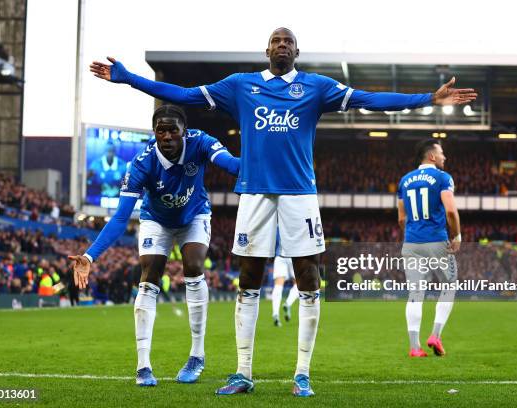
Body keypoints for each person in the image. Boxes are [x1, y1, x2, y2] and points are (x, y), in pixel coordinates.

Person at [90, 27, 476, 397]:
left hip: (299, 195)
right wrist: (129, 79)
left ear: (296, 51)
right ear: (267, 50)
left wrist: (428, 98)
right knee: (250, 277)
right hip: (255, 194)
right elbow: (183, 95)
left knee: (307, 274)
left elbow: (368, 99)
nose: (281, 45)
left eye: (288, 41)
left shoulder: (315, 86)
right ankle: (243, 372)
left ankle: (303, 374)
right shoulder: (240, 86)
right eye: (275, 40)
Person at [69, 104, 240, 386]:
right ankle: (143, 365)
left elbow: (232, 165)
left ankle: (197, 355)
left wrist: (264, 159)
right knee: (149, 275)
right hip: (156, 219)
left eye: (174, 130)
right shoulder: (140, 164)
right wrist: (90, 256)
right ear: (155, 132)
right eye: (162, 130)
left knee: (194, 267)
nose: (168, 136)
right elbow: (121, 218)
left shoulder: (201, 142)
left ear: (184, 131)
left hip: (194, 214)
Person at [397, 139, 460, 358]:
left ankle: (414, 347)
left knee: (415, 293)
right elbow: (451, 211)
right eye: (442, 153)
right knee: (449, 285)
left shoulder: (404, 181)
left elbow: (401, 218)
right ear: (432, 156)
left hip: (411, 243)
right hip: (436, 241)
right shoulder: (443, 178)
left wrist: (413, 234)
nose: (445, 157)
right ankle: (435, 335)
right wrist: (457, 235)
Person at [271, 230, 299, 327]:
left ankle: (275, 314)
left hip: (280, 256)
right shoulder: (295, 222)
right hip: (293, 256)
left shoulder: (277, 224)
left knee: (278, 286)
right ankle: (288, 303)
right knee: (298, 285)